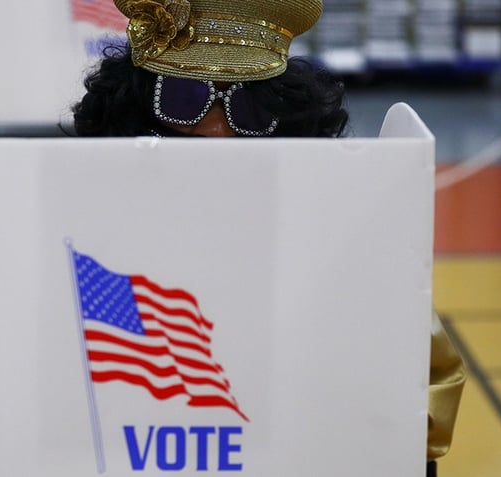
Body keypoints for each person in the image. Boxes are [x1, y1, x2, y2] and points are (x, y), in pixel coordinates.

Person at [73, 0, 466, 475]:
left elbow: (410, 411)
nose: (214, 129)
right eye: (182, 94)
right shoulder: (80, 239)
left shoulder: (344, 254)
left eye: (249, 104)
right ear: (136, 110)